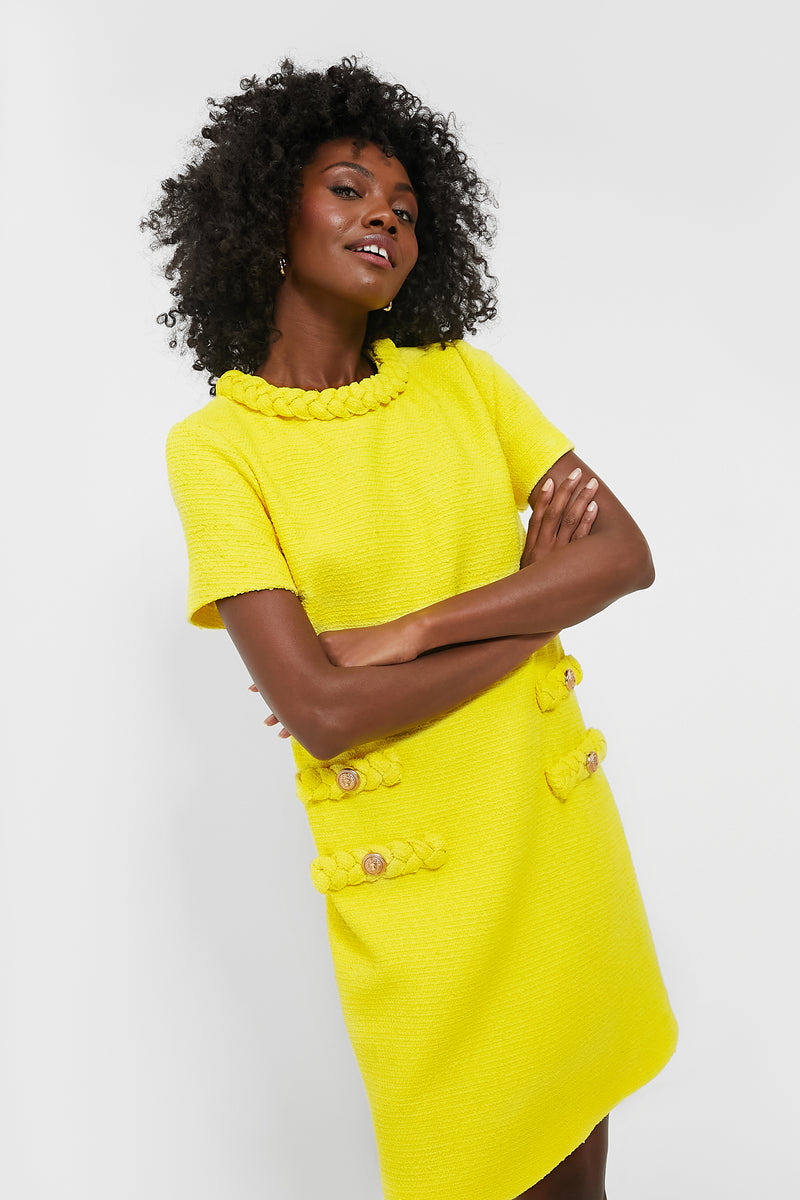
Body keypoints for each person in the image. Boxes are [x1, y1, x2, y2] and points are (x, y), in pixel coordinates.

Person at [142, 57, 678, 1200]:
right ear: (266, 212)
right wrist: (527, 613)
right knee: (462, 1163)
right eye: (346, 189)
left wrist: (406, 632)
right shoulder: (219, 451)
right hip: (421, 886)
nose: (383, 215)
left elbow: (621, 558)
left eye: (404, 207)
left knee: (574, 1163)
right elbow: (324, 714)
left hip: (547, 842)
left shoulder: (464, 383)